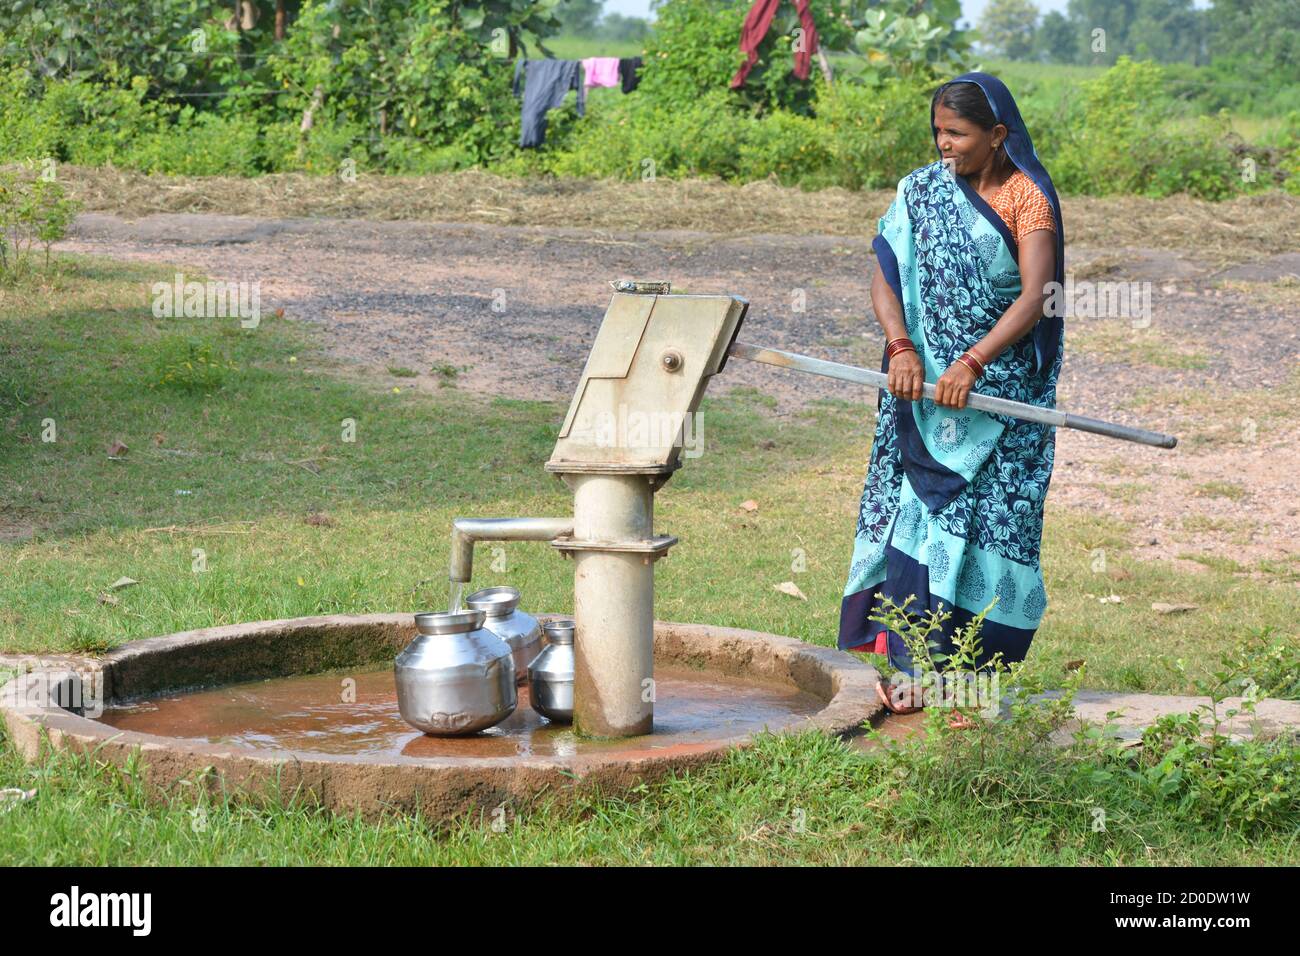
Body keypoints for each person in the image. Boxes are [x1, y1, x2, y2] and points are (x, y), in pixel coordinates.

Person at [837, 73, 1066, 721]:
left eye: (957, 133)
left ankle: (972, 682)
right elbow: (886, 272)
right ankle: (911, 673)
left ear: (997, 135)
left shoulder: (1028, 199)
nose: (944, 145)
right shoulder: (920, 191)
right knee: (919, 525)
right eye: (938, 131)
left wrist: (973, 362)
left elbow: (1034, 296)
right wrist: (901, 346)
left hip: (1001, 403)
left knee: (996, 534)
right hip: (925, 401)